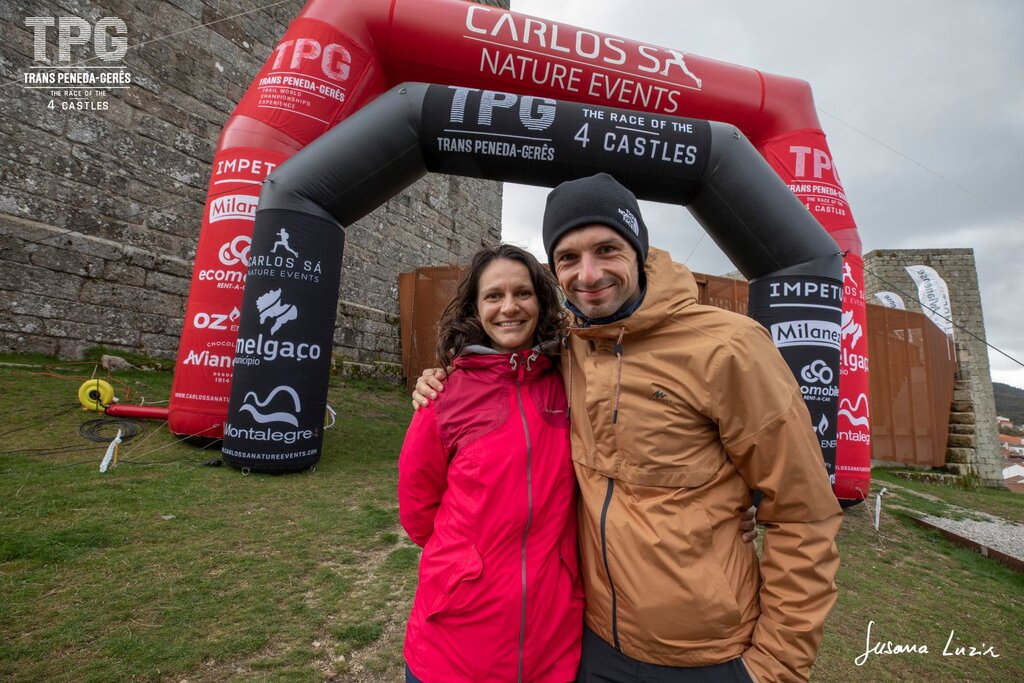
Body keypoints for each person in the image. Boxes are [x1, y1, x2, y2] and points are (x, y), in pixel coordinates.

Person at [416, 173, 843, 682]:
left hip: (708, 655)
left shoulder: (730, 347)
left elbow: (803, 512)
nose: (589, 274)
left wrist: (776, 664)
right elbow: (504, 378)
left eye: (607, 249)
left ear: (639, 250)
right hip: (592, 645)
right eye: (569, 259)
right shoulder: (567, 348)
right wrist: (440, 378)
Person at [398, 245, 583, 683]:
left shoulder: (572, 380)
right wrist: (469, 563)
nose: (509, 307)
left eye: (522, 293)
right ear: (475, 309)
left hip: (552, 641)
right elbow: (418, 512)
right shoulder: (443, 396)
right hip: (454, 640)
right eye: (493, 296)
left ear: (541, 301)